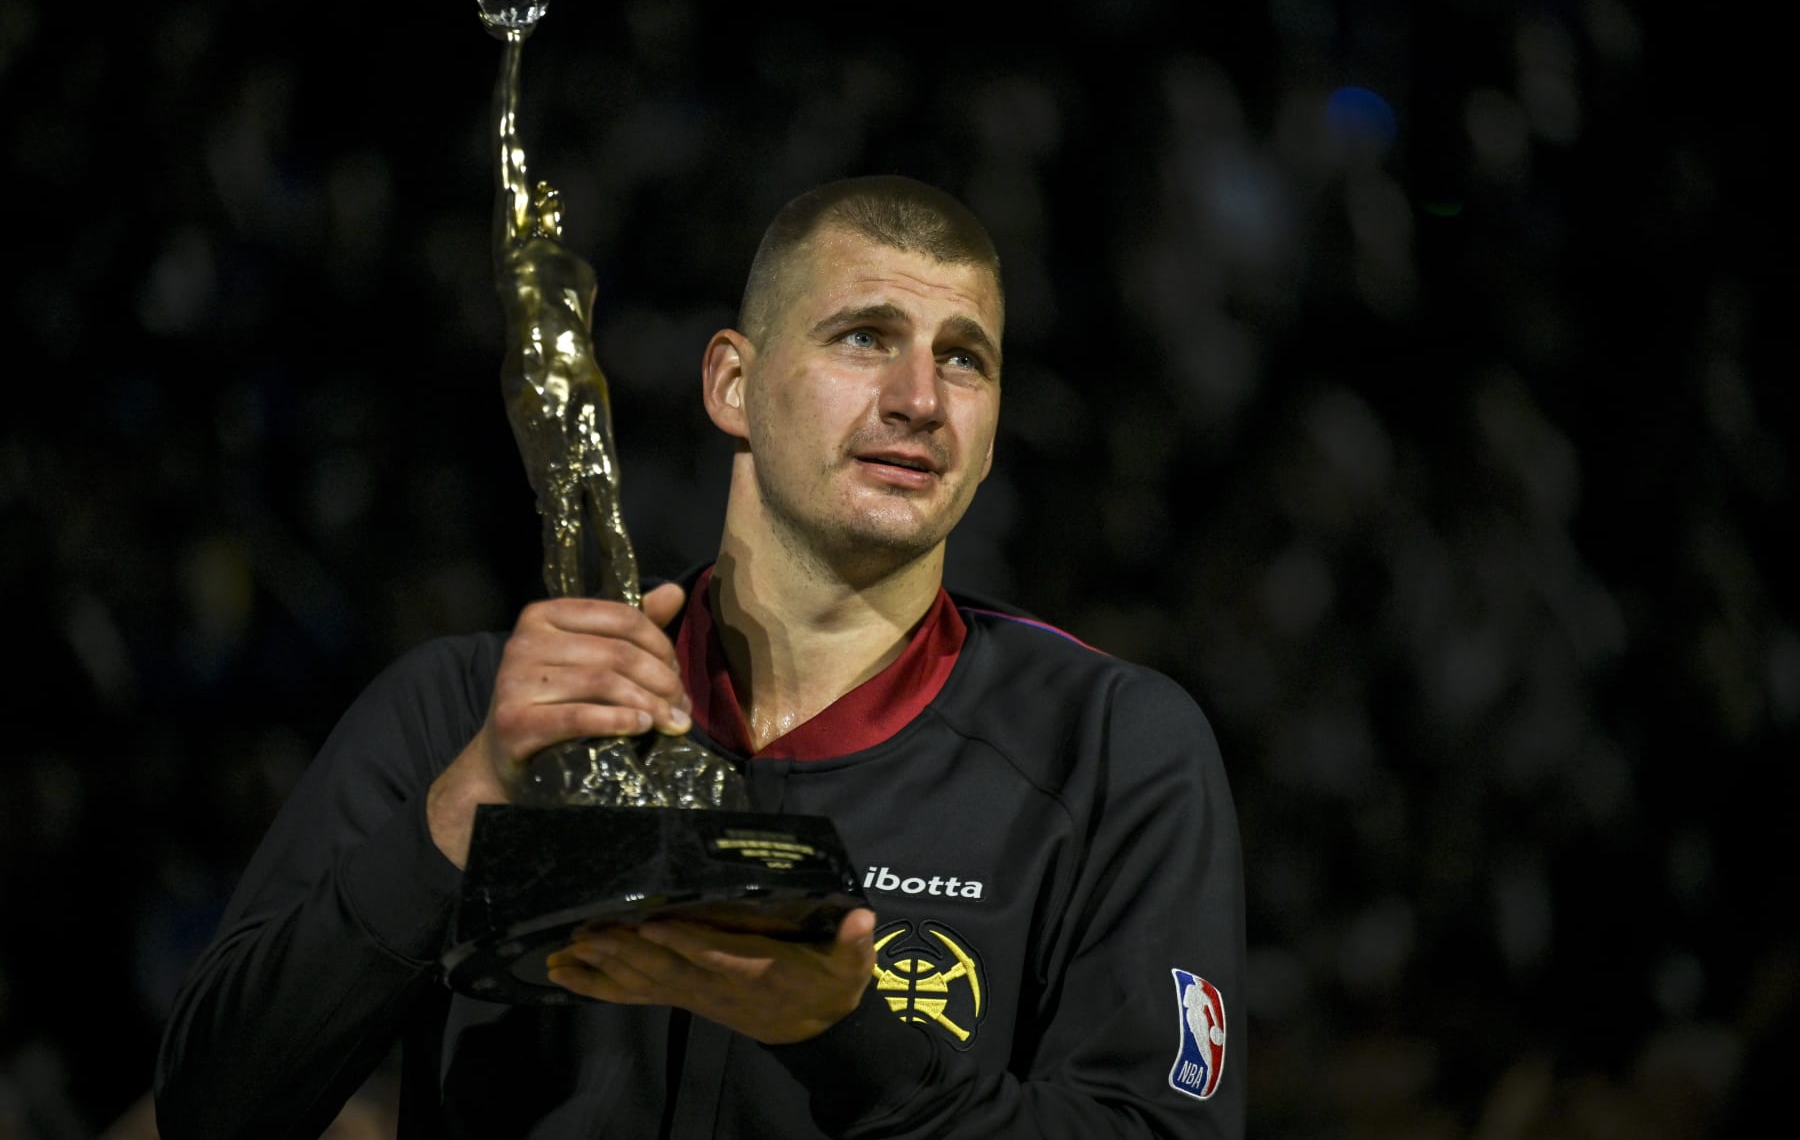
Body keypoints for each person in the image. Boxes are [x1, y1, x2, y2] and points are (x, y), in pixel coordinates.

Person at [153, 175, 1247, 1139]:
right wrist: (467, 809)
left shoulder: (1107, 749)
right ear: (731, 384)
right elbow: (214, 1109)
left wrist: (840, 1039)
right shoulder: (469, 712)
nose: (919, 400)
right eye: (864, 336)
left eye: (965, 359)